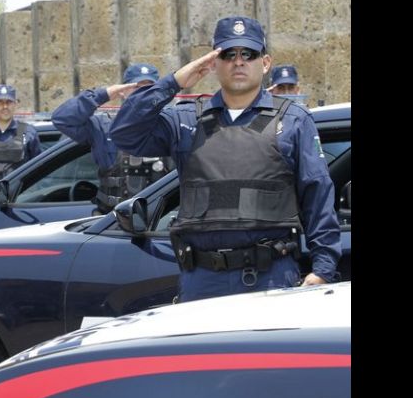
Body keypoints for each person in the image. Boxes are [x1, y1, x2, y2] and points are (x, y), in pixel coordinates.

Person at [109, 15, 341, 303]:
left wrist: (323, 267)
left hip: (271, 278)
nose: (239, 61)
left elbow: (317, 194)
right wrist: (174, 82)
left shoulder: (293, 120)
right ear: (213, 63)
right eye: (228, 54)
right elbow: (123, 132)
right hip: (202, 280)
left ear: (265, 63)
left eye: (249, 54)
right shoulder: (186, 119)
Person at [52, 62, 170, 214]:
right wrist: (104, 94)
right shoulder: (103, 127)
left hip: (157, 222)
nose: (142, 93)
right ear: (123, 91)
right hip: (111, 223)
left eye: (149, 88)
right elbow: (62, 119)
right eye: (136, 87)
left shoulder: (169, 125)